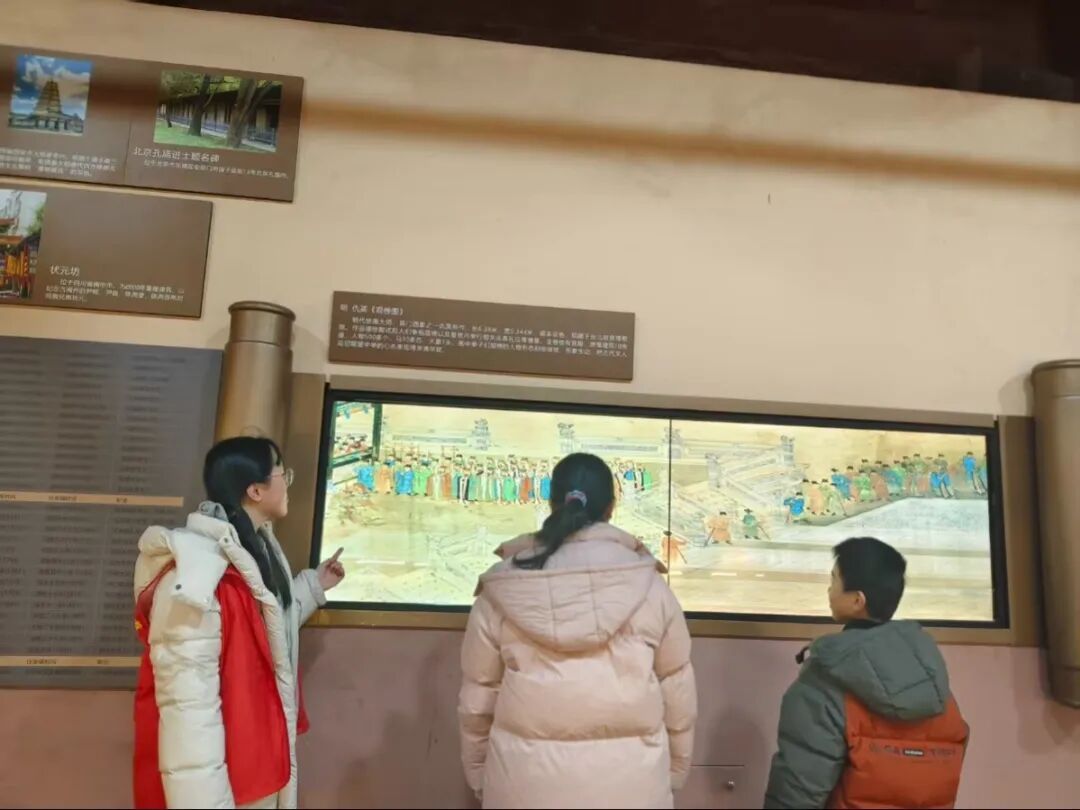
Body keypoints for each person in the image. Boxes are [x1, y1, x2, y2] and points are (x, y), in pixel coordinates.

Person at [458, 453, 697, 809]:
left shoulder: (504, 586)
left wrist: (480, 776)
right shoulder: (651, 588)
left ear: (551, 502)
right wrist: (673, 774)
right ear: (611, 508)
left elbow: (477, 701)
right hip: (632, 788)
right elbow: (678, 696)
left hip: (523, 788)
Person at [132, 437, 346, 809]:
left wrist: (314, 585)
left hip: (256, 764)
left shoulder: (253, 553)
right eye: (282, 474)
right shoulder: (198, 574)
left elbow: (266, 629)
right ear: (255, 490)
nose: (287, 484)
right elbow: (189, 711)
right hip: (229, 778)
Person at [764, 537, 968, 809]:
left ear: (857, 600)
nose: (829, 589)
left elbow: (798, 789)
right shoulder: (934, 685)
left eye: (834, 580)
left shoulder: (825, 680)